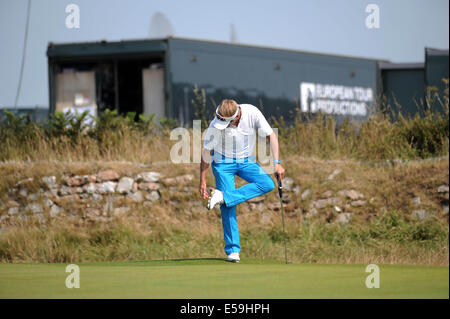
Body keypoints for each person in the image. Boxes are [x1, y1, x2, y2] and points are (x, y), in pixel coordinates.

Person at [199, 99, 285, 262]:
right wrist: (202, 180)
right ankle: (233, 250)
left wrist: (277, 163)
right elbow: (206, 153)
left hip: (247, 161)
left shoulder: (252, 112)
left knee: (267, 184)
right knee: (228, 208)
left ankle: (223, 197)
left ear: (236, 118)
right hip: (223, 163)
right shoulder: (215, 124)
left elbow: (271, 135)